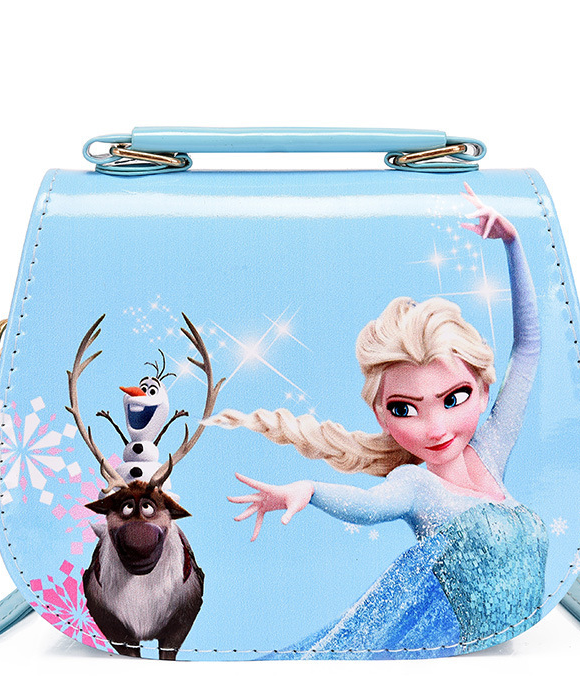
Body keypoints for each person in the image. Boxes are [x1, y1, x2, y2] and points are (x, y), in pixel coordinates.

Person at [208, 184, 548, 658]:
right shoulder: (416, 484)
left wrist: (513, 244)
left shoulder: (491, 450)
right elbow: (368, 505)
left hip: (516, 655)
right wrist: (310, 489)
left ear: (484, 389)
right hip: (453, 663)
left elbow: (528, 348)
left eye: (454, 398)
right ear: (381, 416)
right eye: (405, 409)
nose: (435, 428)